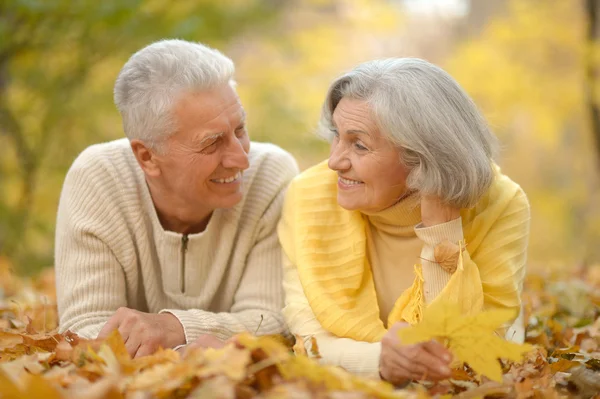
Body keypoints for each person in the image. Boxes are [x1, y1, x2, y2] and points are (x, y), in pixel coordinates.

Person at [278, 58, 530, 385]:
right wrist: (381, 361)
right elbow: (309, 342)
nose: (334, 161)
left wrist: (442, 233)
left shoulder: (501, 205)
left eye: (359, 145)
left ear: (422, 157)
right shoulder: (308, 198)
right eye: (336, 136)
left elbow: (477, 352)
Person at [55, 39, 299, 358]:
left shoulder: (272, 175)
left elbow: (271, 321)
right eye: (212, 143)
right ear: (147, 157)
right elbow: (84, 330)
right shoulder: (97, 178)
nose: (241, 159)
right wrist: (188, 354)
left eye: (240, 130)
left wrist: (173, 329)